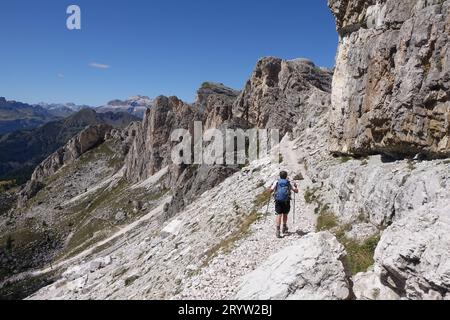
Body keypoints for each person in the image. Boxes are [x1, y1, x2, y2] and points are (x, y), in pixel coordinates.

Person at [269, 171, 299, 238]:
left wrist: (270, 187)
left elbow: (270, 191)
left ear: (280, 176)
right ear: (286, 176)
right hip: (286, 201)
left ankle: (278, 230)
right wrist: (296, 187)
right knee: (285, 214)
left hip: (278, 201)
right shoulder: (288, 183)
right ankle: (284, 227)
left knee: (278, 215)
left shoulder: (276, 182)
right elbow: (296, 191)